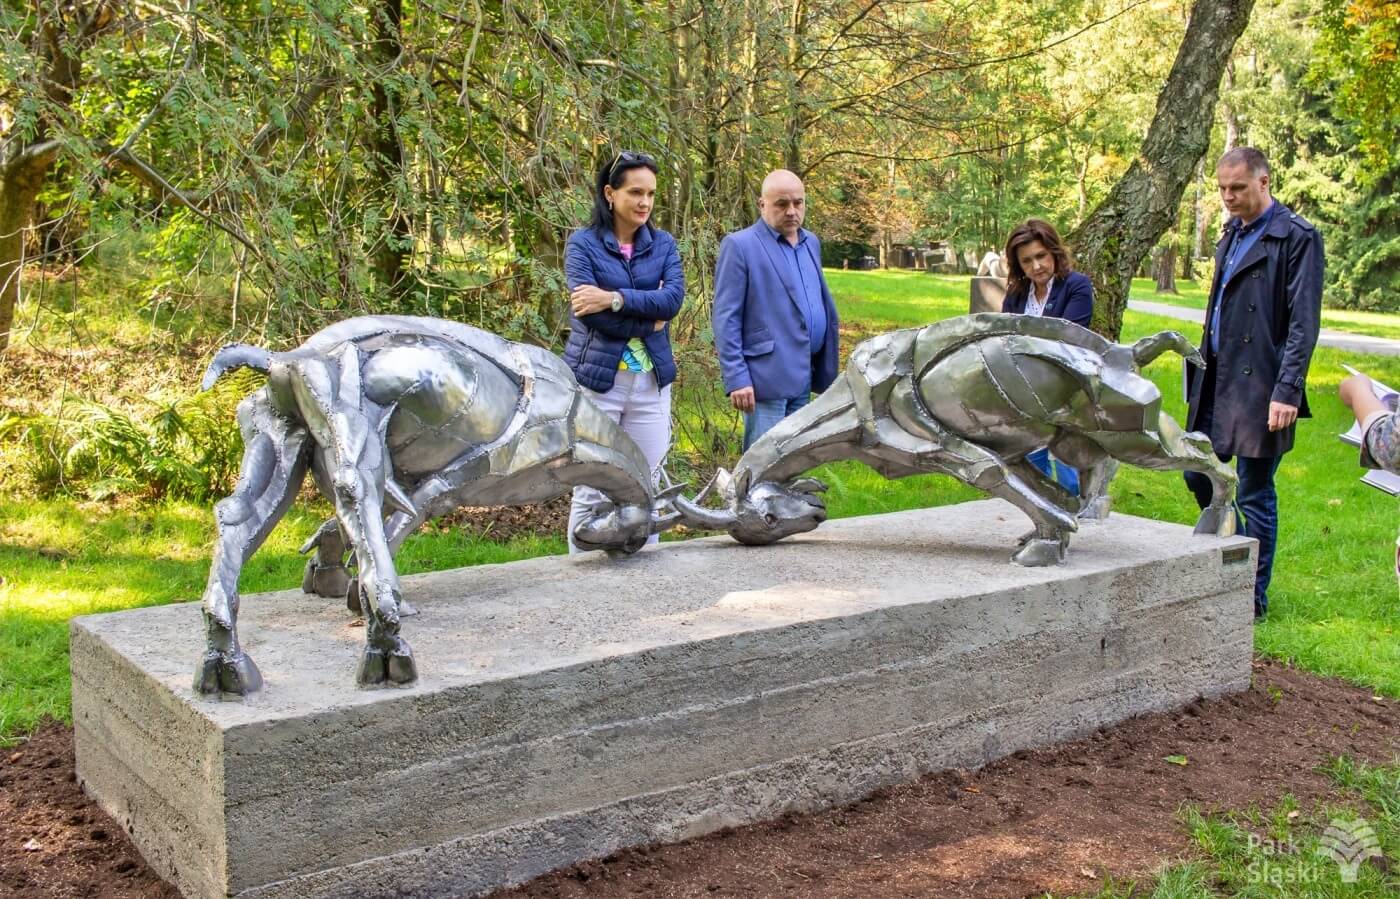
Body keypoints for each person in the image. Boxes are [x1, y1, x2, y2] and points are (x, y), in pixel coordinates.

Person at [1183, 146, 1324, 618]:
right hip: (1216, 378)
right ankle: (1227, 554)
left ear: (1264, 181)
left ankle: (1250, 599)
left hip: (1261, 384)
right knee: (1194, 470)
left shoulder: (1296, 237)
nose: (1228, 196)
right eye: (1222, 188)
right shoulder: (1231, 233)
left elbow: (1303, 323)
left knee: (1255, 488)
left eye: (1237, 188)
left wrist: (1287, 389)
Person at [562, 151, 684, 552]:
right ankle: (581, 582)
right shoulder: (582, 244)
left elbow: (672, 302)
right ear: (610, 194)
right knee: (593, 487)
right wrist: (647, 317)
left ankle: (642, 583)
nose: (645, 202)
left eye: (650, 193)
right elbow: (591, 316)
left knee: (646, 487)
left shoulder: (663, 244)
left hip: (650, 385)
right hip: (599, 384)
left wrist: (612, 298)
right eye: (635, 192)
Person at [713, 169, 841, 450]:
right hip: (764, 379)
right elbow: (726, 317)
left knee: (793, 460)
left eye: (798, 202)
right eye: (781, 204)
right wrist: (737, 378)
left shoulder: (811, 243)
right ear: (762, 205)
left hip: (804, 373)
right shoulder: (740, 246)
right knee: (762, 463)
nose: (792, 211)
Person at [999, 218, 1095, 494]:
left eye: (1041, 256)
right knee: (1032, 478)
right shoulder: (1017, 294)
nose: (1036, 266)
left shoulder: (1076, 286)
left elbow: (1066, 339)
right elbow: (1003, 341)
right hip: (1024, 396)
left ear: (1054, 252)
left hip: (1065, 394)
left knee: (1070, 479)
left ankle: (1079, 521)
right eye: (1027, 261)